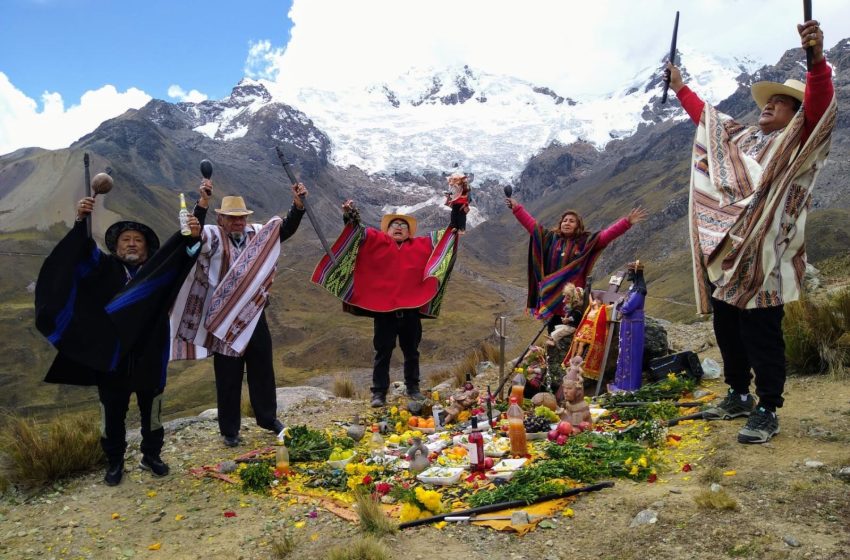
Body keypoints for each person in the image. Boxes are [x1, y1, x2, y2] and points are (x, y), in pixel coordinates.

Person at [666, 19, 836, 444]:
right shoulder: (745, 141)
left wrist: (816, 60)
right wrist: (680, 87)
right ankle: (738, 393)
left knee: (762, 330)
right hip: (730, 258)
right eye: (769, 101)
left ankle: (767, 408)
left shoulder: (799, 142)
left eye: (780, 103)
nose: (769, 106)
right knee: (728, 328)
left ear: (797, 116)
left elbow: (820, 105)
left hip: (767, 260)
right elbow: (709, 126)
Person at [35, 196, 202, 485]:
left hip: (151, 354)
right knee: (112, 413)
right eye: (126, 239)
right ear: (116, 246)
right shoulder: (103, 268)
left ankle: (152, 456)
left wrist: (195, 233)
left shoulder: (158, 273)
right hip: (111, 356)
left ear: (148, 249)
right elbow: (78, 254)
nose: (132, 243)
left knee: (153, 412)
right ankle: (114, 462)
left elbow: (185, 254)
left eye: (138, 240)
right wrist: (80, 221)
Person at [170, 181, 308, 447]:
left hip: (255, 316)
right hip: (224, 318)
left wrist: (298, 206)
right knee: (228, 375)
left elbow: (283, 230)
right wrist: (202, 204)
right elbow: (193, 236)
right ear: (221, 219)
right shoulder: (212, 235)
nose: (237, 222)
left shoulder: (257, 233)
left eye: (241, 218)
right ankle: (230, 430)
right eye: (232, 218)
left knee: (262, 369)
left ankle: (268, 419)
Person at [312, 201, 459, 407]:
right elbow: (358, 233)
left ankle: (413, 388)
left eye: (403, 225)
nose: (399, 227)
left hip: (410, 311)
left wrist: (458, 209)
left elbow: (448, 238)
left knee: (411, 351)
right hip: (384, 312)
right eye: (394, 225)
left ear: (409, 232)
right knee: (383, 352)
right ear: (387, 230)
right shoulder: (376, 240)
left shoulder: (422, 245)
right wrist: (350, 216)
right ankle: (379, 393)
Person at [505, 197, 647, 332]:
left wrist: (627, 222)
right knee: (553, 331)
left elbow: (606, 236)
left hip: (574, 299)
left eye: (572, 221)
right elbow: (532, 226)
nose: (567, 223)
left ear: (578, 225)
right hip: (553, 295)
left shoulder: (585, 242)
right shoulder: (550, 239)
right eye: (564, 220)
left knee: (572, 331)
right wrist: (517, 208)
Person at [611, 260, 647, 392]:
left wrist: (621, 304)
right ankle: (622, 383)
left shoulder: (640, 290)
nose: (628, 274)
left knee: (631, 354)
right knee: (624, 352)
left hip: (634, 326)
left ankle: (630, 385)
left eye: (630, 272)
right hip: (628, 324)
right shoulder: (634, 288)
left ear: (636, 273)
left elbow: (628, 307)